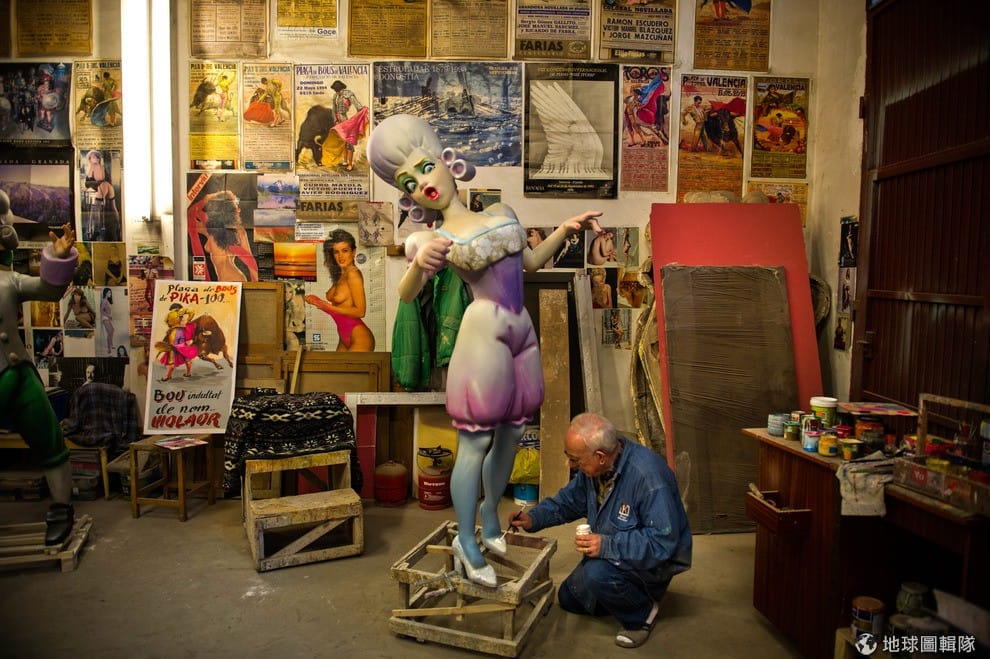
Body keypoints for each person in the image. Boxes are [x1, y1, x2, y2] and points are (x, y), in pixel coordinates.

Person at [367, 114, 603, 587]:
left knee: (513, 433)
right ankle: (466, 539)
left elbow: (530, 263)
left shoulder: (503, 213)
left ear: (447, 162)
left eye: (424, 168)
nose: (422, 184)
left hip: (522, 333)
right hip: (483, 334)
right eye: (409, 183)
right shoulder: (430, 238)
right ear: (410, 198)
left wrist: (564, 229)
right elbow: (408, 293)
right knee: (475, 442)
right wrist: (419, 264)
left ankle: (490, 518)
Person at [508, 413, 692, 649]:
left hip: (652, 565)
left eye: (575, 460)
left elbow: (663, 542)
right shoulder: (595, 470)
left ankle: (643, 613)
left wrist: (606, 546)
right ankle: (622, 592)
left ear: (600, 456)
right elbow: (568, 501)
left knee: (596, 574)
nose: (570, 465)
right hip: (618, 554)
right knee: (569, 598)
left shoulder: (648, 477)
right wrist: (534, 518)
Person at [0, 191, 80, 545]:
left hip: (17, 374)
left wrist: (58, 257)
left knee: (50, 441)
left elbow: (49, 289)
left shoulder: (7, 281)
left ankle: (61, 508)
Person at [304, 229, 375, 352]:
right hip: (343, 336)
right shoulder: (341, 274)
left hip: (359, 336)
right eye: (336, 252)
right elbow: (340, 309)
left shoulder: (353, 274)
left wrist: (327, 306)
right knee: (334, 365)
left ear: (353, 252)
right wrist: (318, 302)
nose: (340, 256)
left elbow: (360, 312)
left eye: (345, 251)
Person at [191, 190, 259, 282]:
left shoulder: (238, 231)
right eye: (236, 207)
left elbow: (250, 262)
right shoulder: (211, 230)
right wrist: (210, 197)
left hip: (235, 280)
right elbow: (190, 216)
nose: (239, 210)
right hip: (225, 282)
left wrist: (256, 287)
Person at [330, 80, 369, 171]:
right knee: (343, 141)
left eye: (338, 90)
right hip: (338, 122)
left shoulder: (348, 94)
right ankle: (345, 161)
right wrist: (335, 120)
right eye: (336, 91)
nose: (338, 92)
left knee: (349, 142)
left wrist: (362, 111)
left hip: (345, 120)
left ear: (342, 88)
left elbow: (358, 106)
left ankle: (350, 164)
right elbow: (334, 109)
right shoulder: (335, 96)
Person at [83, 150, 120, 241]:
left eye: (96, 157)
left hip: (103, 186)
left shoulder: (94, 166)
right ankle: (118, 227)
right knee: (113, 207)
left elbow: (89, 181)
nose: (95, 158)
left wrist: (88, 186)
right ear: (90, 159)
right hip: (108, 186)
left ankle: (96, 231)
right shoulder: (100, 166)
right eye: (93, 157)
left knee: (96, 208)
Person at [155, 302, 198, 381]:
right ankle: (188, 373)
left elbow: (166, 321)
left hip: (174, 332)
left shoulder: (170, 314)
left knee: (172, 351)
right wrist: (188, 320)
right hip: (182, 332)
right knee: (184, 351)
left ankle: (168, 375)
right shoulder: (182, 312)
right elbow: (191, 312)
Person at [100, 287, 115, 354]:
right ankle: (109, 348)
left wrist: (109, 316)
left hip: (107, 318)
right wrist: (108, 316)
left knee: (112, 330)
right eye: (109, 292)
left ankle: (111, 344)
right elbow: (101, 311)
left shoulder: (107, 300)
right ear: (105, 293)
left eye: (110, 293)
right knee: (109, 332)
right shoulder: (104, 300)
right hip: (105, 318)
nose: (110, 294)